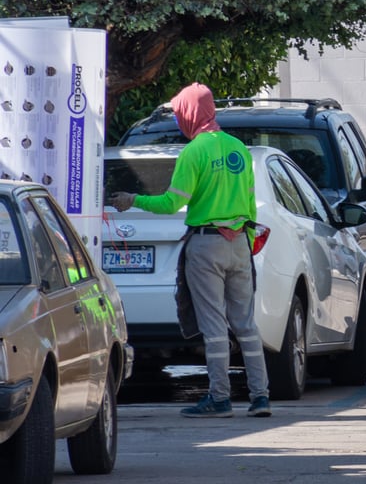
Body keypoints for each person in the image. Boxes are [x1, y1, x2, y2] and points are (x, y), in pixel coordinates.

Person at [109, 83, 271, 419]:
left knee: (214, 327)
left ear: (190, 113)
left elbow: (172, 203)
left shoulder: (194, 152)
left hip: (206, 244)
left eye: (181, 111)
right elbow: (250, 203)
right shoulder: (238, 148)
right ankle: (260, 398)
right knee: (246, 325)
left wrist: (133, 200)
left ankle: (220, 399)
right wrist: (243, 234)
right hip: (239, 241)